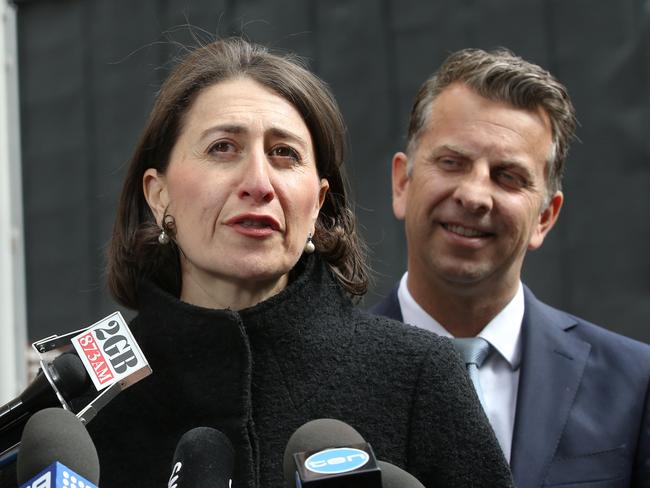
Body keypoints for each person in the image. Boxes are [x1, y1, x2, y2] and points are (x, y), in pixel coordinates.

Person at [79, 39, 512, 488]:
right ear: (158, 194)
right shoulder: (88, 403)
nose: (258, 183)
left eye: (284, 153)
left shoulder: (419, 375)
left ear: (318, 204)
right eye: (223, 147)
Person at [370, 48, 650, 487]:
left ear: (544, 217)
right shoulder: (322, 372)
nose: (475, 196)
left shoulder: (634, 385)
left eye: (508, 176)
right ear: (402, 183)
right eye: (452, 162)